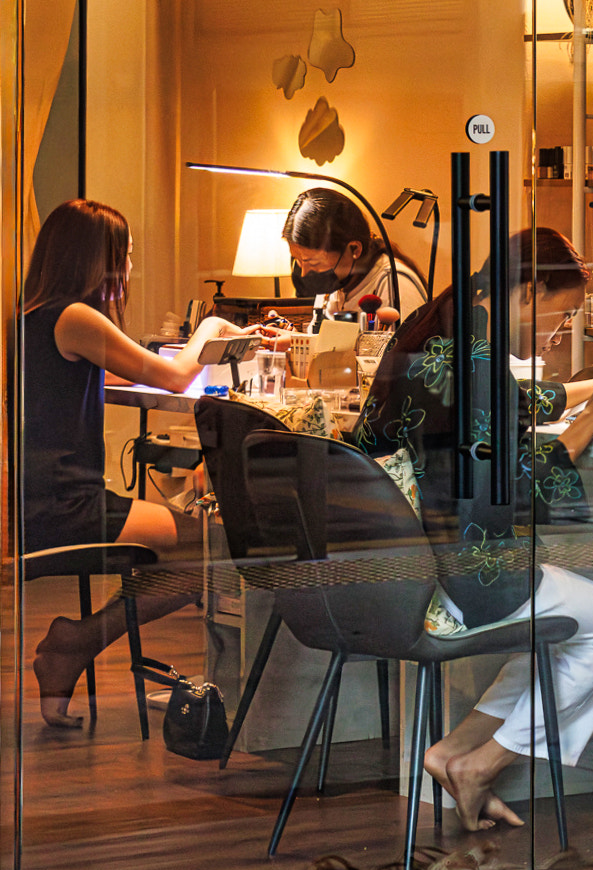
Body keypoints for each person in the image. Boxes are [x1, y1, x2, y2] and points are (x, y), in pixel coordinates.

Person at [353, 227, 593, 831]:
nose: (559, 334)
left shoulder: (443, 326)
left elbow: (508, 404)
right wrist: (587, 424)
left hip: (399, 562)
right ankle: (481, 763)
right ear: (530, 291)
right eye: (562, 317)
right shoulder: (480, 361)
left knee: (567, 624)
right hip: (462, 571)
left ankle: (452, 752)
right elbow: (511, 493)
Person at [21, 199, 283, 727]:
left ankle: (75, 644)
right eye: (125, 254)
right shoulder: (76, 317)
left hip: (44, 496)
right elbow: (173, 380)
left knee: (198, 550)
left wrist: (170, 355)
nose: (129, 266)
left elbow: (122, 371)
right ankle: (76, 642)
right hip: (65, 503)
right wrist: (210, 327)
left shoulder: (35, 316)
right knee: (211, 552)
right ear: (96, 259)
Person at [282, 187, 428, 330]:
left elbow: (407, 345)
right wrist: (292, 339)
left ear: (354, 249)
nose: (304, 273)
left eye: (314, 263)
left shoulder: (395, 283)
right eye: (298, 261)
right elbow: (321, 342)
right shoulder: (335, 284)